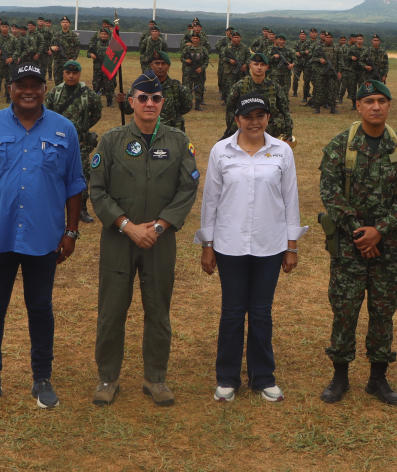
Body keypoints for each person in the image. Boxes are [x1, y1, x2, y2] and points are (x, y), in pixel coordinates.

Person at [0, 62, 86, 411]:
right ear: (10, 88)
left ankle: (42, 378)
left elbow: (74, 185)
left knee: (40, 308)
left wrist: (71, 231)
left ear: (46, 89)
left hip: (44, 237)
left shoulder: (64, 129)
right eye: (21, 85)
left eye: (35, 84)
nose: (28, 91)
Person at [88, 71, 200, 407]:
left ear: (162, 103)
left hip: (160, 241)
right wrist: (127, 226)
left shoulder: (179, 142)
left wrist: (161, 226)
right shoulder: (110, 141)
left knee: (158, 311)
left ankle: (156, 379)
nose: (149, 103)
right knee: (111, 311)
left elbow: (187, 187)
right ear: (132, 101)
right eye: (142, 98)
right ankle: (108, 378)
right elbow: (97, 190)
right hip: (119, 240)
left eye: (155, 98)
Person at [317, 80, 397, 406]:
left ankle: (378, 378)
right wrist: (360, 232)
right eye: (368, 101)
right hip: (349, 246)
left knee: (383, 309)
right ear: (358, 106)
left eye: (381, 100)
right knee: (345, 308)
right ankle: (340, 376)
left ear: (389, 106)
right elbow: (330, 193)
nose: (375, 106)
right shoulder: (339, 147)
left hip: (387, 246)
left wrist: (381, 230)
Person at [196, 93, 305, 403]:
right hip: (229, 246)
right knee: (231, 312)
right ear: (237, 120)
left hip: (269, 245)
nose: (254, 122)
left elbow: (290, 199)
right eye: (248, 116)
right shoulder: (221, 151)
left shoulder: (282, 151)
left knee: (260, 312)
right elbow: (211, 201)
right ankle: (227, 378)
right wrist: (208, 244)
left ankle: (263, 377)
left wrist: (291, 245)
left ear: (268, 119)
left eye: (260, 115)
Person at [46, 60, 104, 225]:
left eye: (75, 73)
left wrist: (84, 127)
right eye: (68, 73)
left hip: (81, 143)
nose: (71, 76)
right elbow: (46, 114)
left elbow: (97, 113)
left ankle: (81, 209)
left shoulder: (88, 94)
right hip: (57, 142)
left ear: (79, 74)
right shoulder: (55, 92)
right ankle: (54, 206)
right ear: (63, 74)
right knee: (54, 172)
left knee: (82, 174)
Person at [117, 51, 193, 133]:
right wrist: (122, 102)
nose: (160, 67)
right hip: (143, 132)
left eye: (163, 63)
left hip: (169, 133)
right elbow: (128, 110)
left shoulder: (176, 87)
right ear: (151, 65)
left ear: (169, 66)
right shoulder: (140, 86)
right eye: (157, 63)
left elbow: (186, 107)